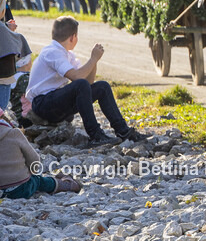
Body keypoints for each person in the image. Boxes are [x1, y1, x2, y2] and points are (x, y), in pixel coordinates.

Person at [26, 17, 147, 146]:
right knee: (80, 84)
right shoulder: (51, 52)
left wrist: (93, 61)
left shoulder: (67, 54)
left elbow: (87, 84)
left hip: (55, 102)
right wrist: (93, 59)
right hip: (42, 104)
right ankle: (95, 134)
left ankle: (123, 131)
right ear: (73, 37)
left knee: (102, 87)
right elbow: (78, 79)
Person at [0, 115, 82, 197]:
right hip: (19, 188)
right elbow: (34, 160)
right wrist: (32, 172)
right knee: (38, 181)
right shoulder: (14, 133)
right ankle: (67, 185)